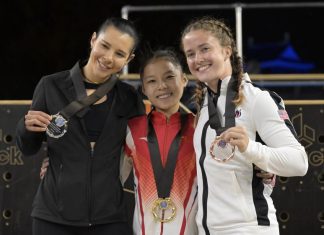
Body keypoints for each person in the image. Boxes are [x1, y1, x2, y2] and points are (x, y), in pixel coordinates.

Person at [15, 17, 144, 235]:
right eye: (104, 45)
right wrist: (26, 127)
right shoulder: (51, 85)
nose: (108, 58)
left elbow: (142, 151)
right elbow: (28, 148)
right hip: (53, 217)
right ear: (93, 40)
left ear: (128, 59)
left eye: (119, 54)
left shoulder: (129, 97)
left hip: (110, 219)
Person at [181, 16, 308, 235]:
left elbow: (299, 162)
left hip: (249, 228)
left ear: (227, 51)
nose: (198, 59)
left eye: (205, 49)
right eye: (190, 54)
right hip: (208, 230)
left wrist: (251, 148)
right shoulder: (202, 106)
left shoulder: (257, 99)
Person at [120, 49, 198, 235]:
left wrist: (263, 172)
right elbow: (108, 177)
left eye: (169, 77)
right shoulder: (131, 130)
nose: (162, 86)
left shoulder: (201, 127)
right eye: (152, 81)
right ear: (144, 89)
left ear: (184, 80)